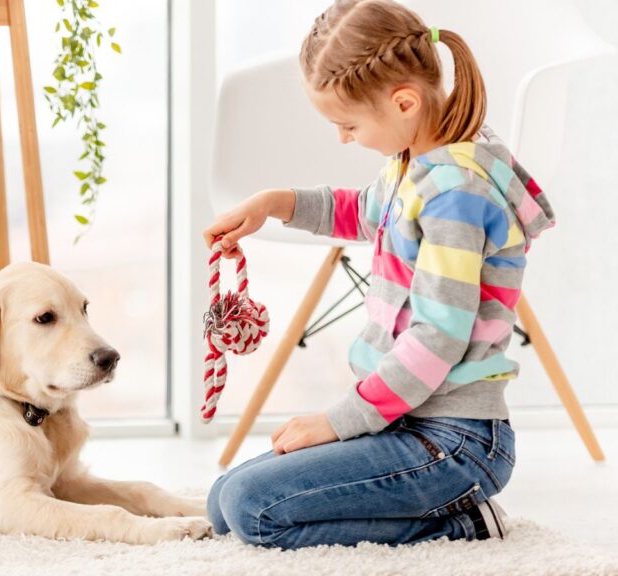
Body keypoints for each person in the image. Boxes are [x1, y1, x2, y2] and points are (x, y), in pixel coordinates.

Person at [202, 0, 555, 550]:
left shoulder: (456, 195)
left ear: (404, 101)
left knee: (254, 512)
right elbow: (362, 211)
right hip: (410, 423)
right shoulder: (415, 162)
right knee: (223, 501)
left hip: (455, 442)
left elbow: (437, 340)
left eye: (349, 124)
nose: (344, 138)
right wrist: (273, 203)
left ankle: (462, 523)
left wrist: (338, 421)